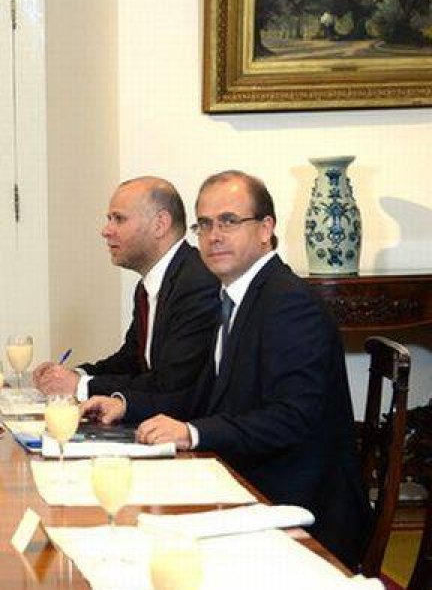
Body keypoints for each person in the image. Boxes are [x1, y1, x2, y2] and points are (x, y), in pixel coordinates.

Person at [82, 170, 371, 567]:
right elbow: (206, 392)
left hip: (297, 505)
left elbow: (290, 419)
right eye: (205, 224)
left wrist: (194, 432)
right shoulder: (236, 294)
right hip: (250, 480)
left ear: (266, 228)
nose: (214, 235)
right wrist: (125, 406)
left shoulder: (288, 303)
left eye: (230, 221)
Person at [33, 177, 220, 398]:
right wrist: (74, 374)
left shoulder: (197, 283)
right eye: (109, 219)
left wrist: (80, 387)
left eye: (119, 219)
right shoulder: (149, 285)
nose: (106, 230)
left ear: (160, 224)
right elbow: (131, 360)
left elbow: (172, 384)